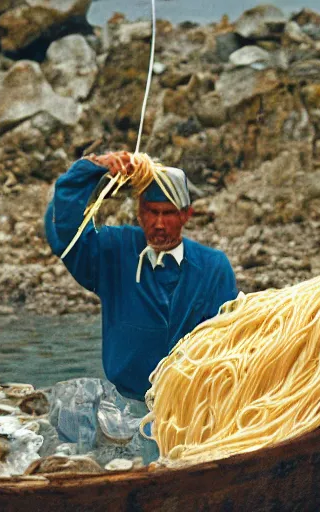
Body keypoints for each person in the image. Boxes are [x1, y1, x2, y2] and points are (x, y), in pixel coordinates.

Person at [44, 151, 239, 404]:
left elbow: (229, 339)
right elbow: (67, 232)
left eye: (168, 213)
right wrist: (93, 168)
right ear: (139, 212)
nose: (159, 224)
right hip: (126, 402)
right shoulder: (115, 251)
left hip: (193, 403)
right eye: (151, 212)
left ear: (186, 215)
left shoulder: (213, 266)